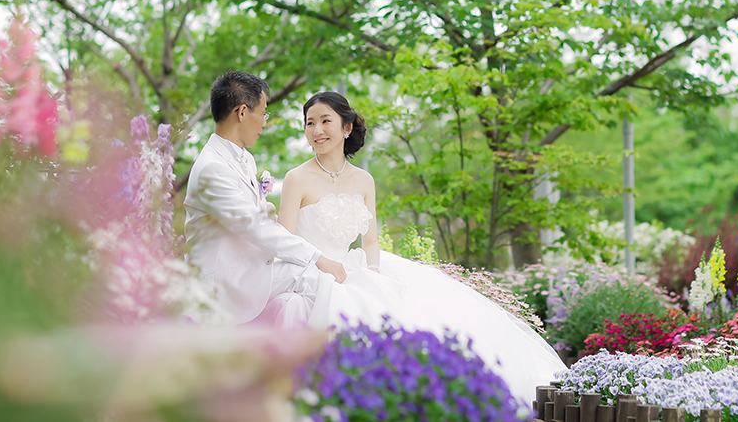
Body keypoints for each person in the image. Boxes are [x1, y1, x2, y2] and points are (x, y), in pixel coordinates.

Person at [278, 90, 565, 405]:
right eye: (309, 123)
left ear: (346, 128)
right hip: (314, 270)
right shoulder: (296, 178)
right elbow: (285, 239)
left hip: (356, 266)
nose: (317, 131)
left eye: (325, 121)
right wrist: (323, 265)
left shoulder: (363, 180)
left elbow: (370, 241)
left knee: (415, 310)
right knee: (351, 308)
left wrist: (373, 273)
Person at [184, 71, 368, 326]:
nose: (265, 123)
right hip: (225, 281)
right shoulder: (212, 168)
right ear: (241, 112)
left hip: (253, 267)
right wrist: (318, 257)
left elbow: (260, 218)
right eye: (263, 113)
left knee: (336, 282)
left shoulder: (244, 158)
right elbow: (254, 226)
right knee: (324, 280)